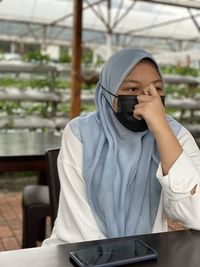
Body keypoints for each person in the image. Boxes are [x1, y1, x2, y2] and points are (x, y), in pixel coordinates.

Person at [43, 48, 200, 246]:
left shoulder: (175, 135)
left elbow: (197, 214)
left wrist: (161, 130)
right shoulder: (80, 134)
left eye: (157, 90)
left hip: (148, 252)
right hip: (80, 253)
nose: (147, 99)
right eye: (132, 90)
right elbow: (80, 230)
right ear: (108, 92)